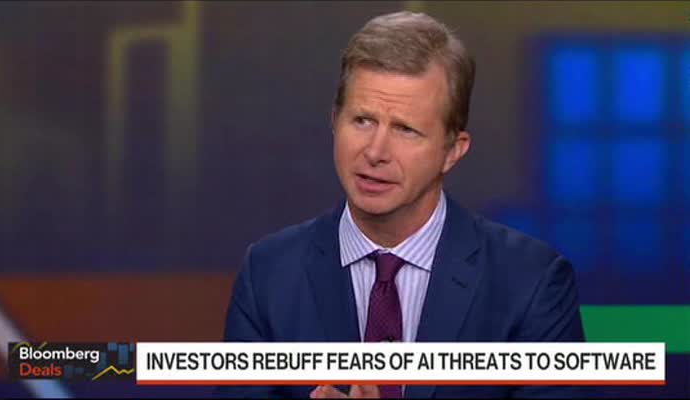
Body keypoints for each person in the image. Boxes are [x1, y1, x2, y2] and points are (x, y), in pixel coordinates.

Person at [216, 10, 586, 399]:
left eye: (405, 129)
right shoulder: (268, 275)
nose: (375, 152)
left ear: (452, 150)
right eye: (362, 121)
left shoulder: (531, 282)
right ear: (334, 120)